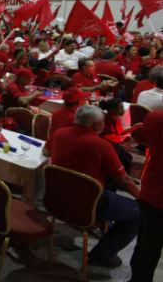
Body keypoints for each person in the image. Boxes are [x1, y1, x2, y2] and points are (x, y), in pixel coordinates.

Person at [50, 105, 140, 268]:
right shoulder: (101, 145)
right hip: (86, 205)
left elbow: (46, 152)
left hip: (56, 199)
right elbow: (124, 180)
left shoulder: (58, 134)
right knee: (138, 211)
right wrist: (143, 198)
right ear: (97, 125)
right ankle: (103, 254)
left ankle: (107, 223)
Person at [129, 111, 163, 282]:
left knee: (146, 245)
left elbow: (142, 136)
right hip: (155, 194)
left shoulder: (154, 118)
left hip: (152, 193)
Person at [43, 87, 88, 156]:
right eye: (83, 99)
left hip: (51, 148)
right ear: (79, 102)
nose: (85, 100)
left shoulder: (57, 113)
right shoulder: (77, 119)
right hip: (65, 153)